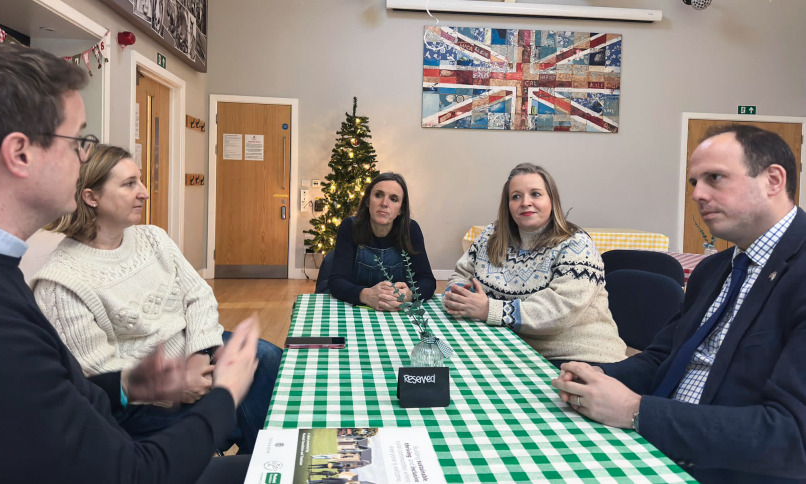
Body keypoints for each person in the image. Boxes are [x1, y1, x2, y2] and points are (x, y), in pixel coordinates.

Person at [0, 39, 260, 484]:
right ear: (20, 154)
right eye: (79, 141)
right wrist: (224, 393)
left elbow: (65, 397)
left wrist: (129, 386)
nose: (84, 156)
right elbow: (127, 470)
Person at [552, 125, 806, 483]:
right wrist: (595, 376)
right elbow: (662, 359)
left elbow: (792, 437)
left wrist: (636, 411)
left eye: (714, 178)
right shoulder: (715, 269)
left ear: (773, 180)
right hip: (651, 443)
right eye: (694, 183)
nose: (698, 194)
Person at [31, 144, 282, 455]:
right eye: (129, 184)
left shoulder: (154, 238)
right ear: (90, 197)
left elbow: (198, 296)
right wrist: (175, 382)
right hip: (142, 397)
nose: (145, 192)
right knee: (241, 404)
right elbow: (97, 376)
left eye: (141, 180)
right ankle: (254, 460)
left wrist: (200, 353)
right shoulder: (60, 283)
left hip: (191, 354)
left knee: (266, 356)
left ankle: (256, 460)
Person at [443, 163, 626, 366]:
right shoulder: (490, 237)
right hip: (510, 347)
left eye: (536, 194)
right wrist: (459, 295)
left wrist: (490, 309)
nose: (525, 202)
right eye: (516, 196)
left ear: (552, 200)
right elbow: (460, 274)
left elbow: (559, 311)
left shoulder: (576, 244)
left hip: (578, 357)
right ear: (508, 206)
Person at [327, 173, 436, 310]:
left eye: (394, 199)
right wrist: (365, 295)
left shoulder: (411, 230)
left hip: (398, 313)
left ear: (401, 209)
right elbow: (336, 281)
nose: (384, 203)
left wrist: (410, 294)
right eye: (378, 195)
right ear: (367, 201)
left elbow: (428, 281)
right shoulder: (350, 227)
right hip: (355, 310)